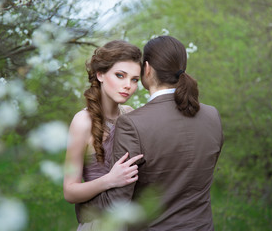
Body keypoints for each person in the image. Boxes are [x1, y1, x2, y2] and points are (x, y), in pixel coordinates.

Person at [78, 35, 224, 230]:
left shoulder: (132, 124)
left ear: (146, 69)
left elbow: (117, 204)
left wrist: (84, 209)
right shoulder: (212, 116)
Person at [63, 40, 144, 230]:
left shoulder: (130, 113)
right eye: (120, 75)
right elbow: (69, 191)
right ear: (100, 74)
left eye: (134, 79)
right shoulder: (82, 122)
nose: (128, 86)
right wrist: (110, 180)